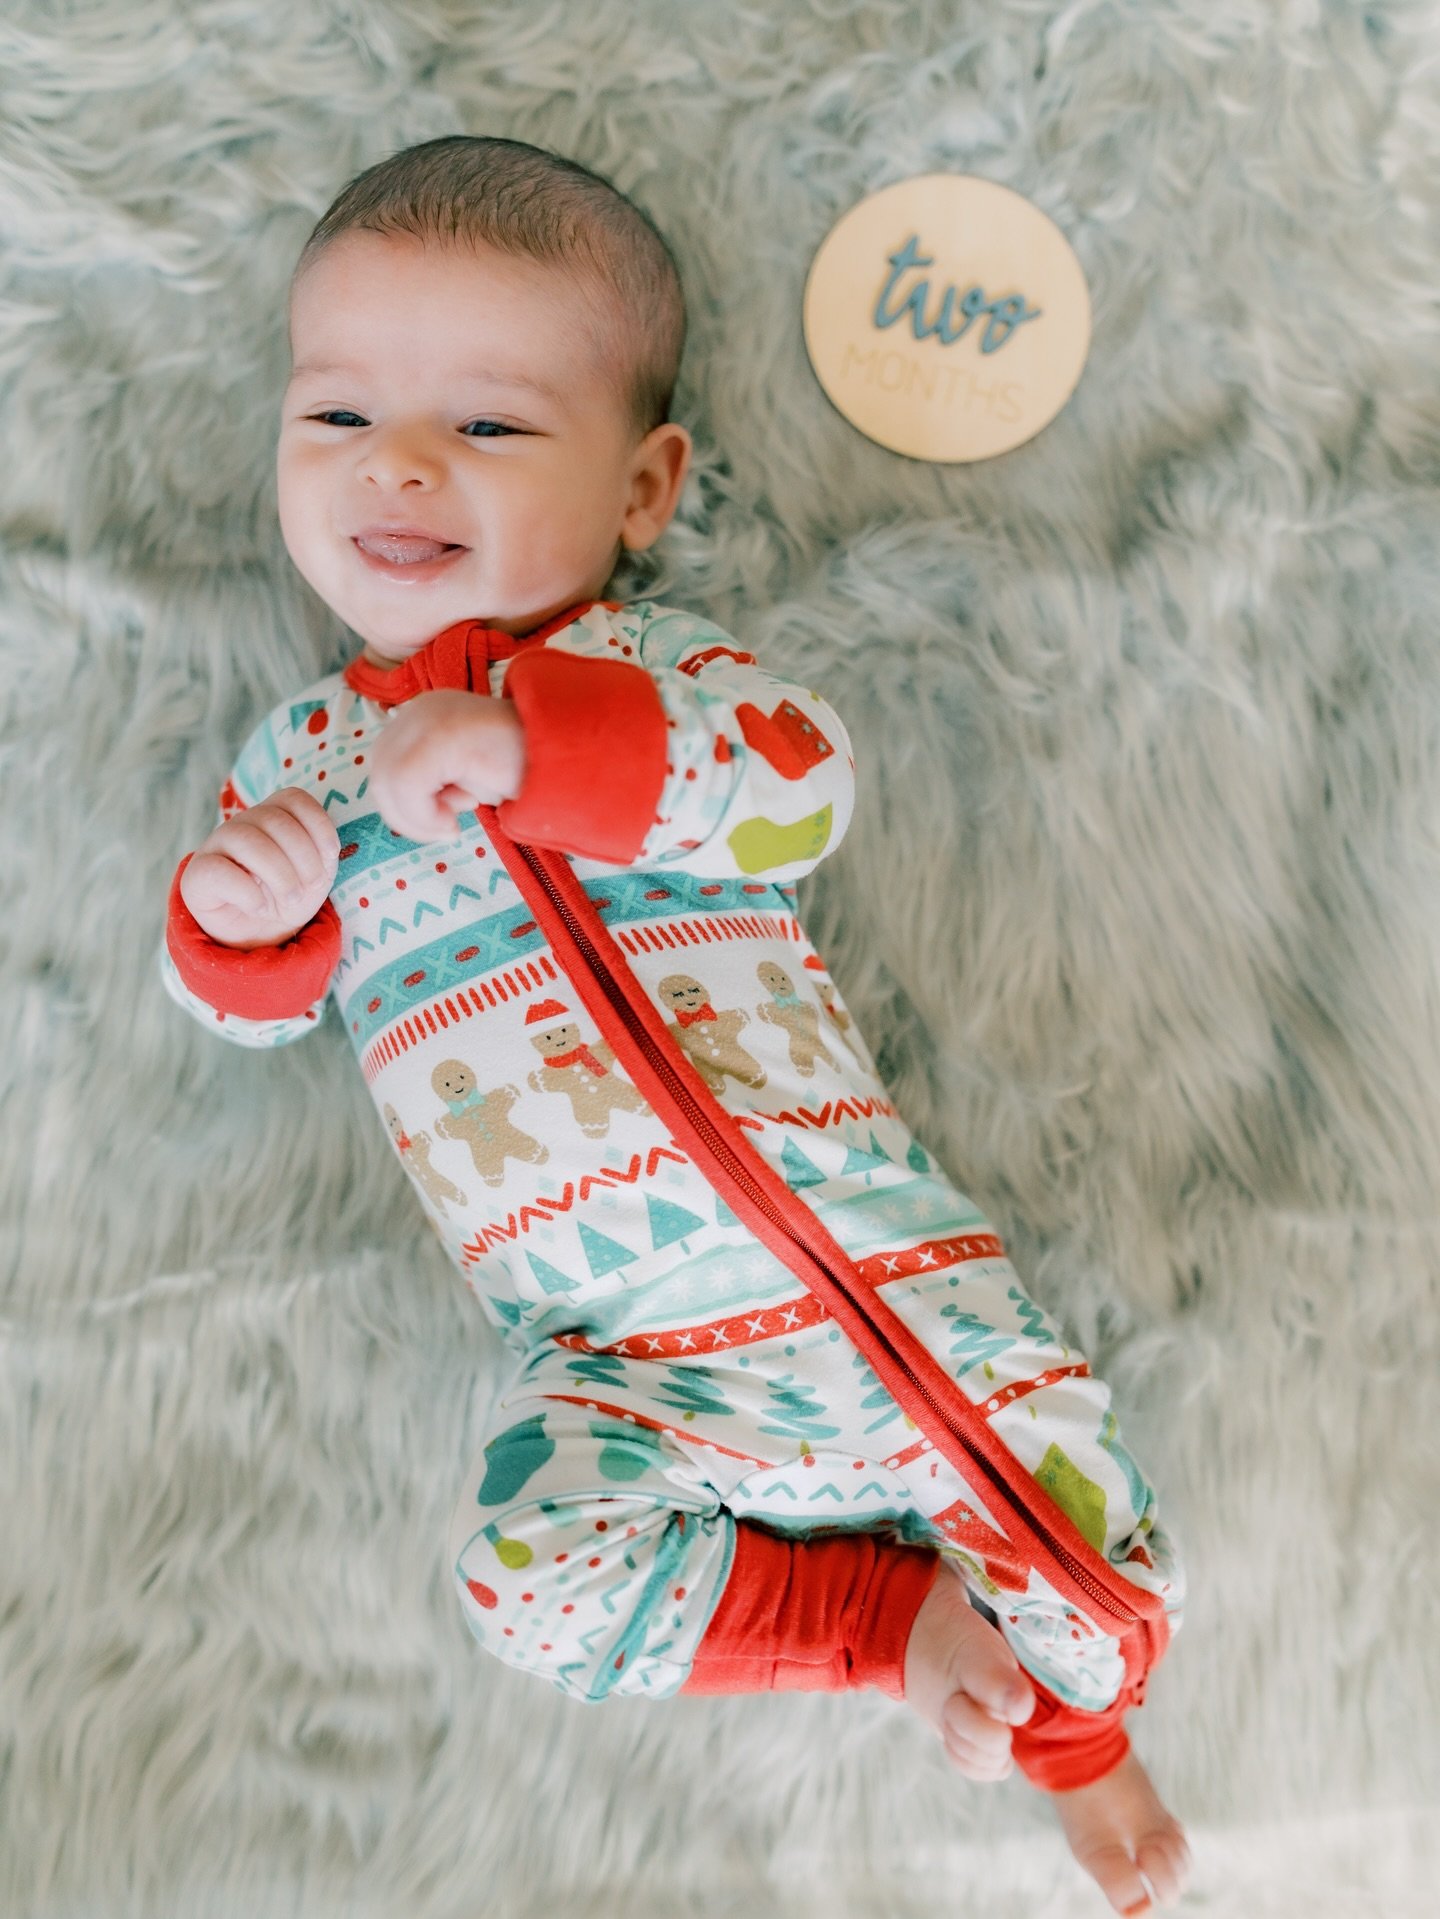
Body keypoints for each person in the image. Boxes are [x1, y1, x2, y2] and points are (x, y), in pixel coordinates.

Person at [159, 135, 1191, 1916]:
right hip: (613, 1367)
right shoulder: (292, 766)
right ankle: (886, 1630)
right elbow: (252, 1017)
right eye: (337, 421)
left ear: (642, 487)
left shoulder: (667, 677)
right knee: (525, 1591)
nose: (397, 463)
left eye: (485, 426)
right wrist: (235, 922)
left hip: (884, 1290)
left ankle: (1081, 1752)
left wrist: (534, 751)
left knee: (1103, 1572)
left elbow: (802, 790)